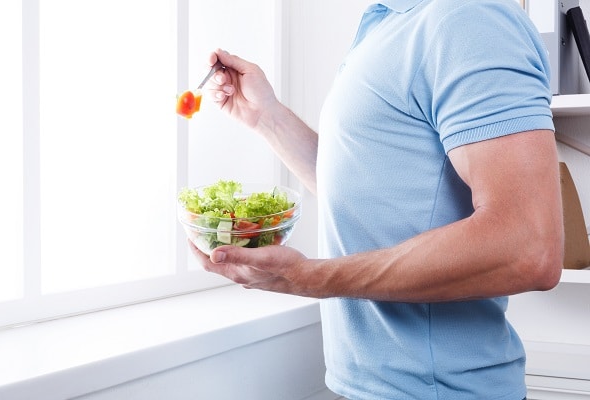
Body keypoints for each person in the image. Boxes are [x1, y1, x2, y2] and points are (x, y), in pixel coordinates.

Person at [191, 1, 564, 399]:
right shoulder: (387, 23)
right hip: (365, 387)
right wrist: (266, 117)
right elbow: (365, 191)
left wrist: (305, 277)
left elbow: (527, 247)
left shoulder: (467, 18)